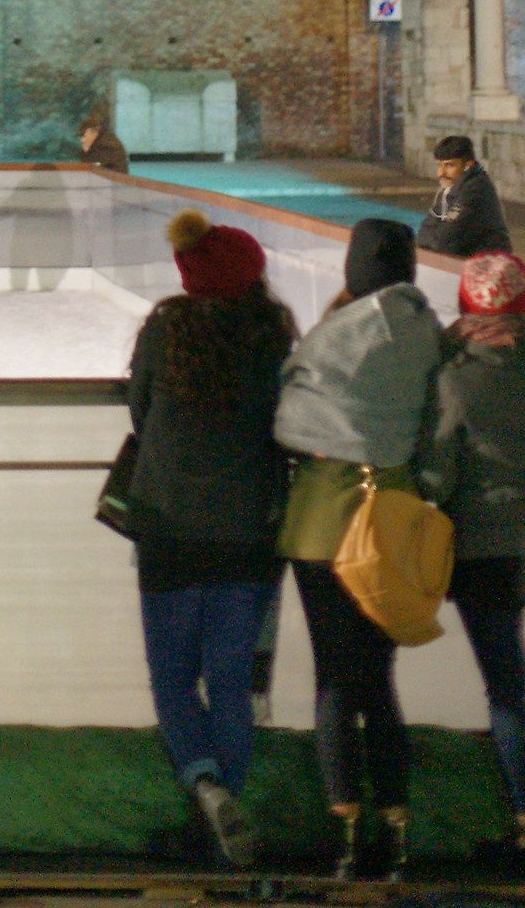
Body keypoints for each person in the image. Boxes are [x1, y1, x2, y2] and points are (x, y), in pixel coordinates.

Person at [273, 217, 442, 880]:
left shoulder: (331, 338)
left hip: (321, 524)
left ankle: (345, 839)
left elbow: (290, 418)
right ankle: (396, 837)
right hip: (394, 520)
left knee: (335, 681)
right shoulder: (428, 333)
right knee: (378, 680)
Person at [126, 210, 297, 867]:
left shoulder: (165, 328)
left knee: (172, 675)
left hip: (167, 523)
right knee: (229, 680)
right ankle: (228, 807)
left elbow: (140, 411)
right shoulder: (271, 332)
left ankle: (202, 785)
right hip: (248, 530)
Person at [419, 249, 525, 851]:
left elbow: (437, 477)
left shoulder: (454, 375)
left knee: (507, 686)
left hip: (485, 549)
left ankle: (522, 813)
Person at [417, 136, 511, 260]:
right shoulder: (453, 189)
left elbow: (445, 241)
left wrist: (432, 239)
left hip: (489, 268)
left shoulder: (476, 190)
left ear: (468, 166)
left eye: (449, 166)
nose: (441, 173)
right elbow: (423, 232)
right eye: (439, 165)